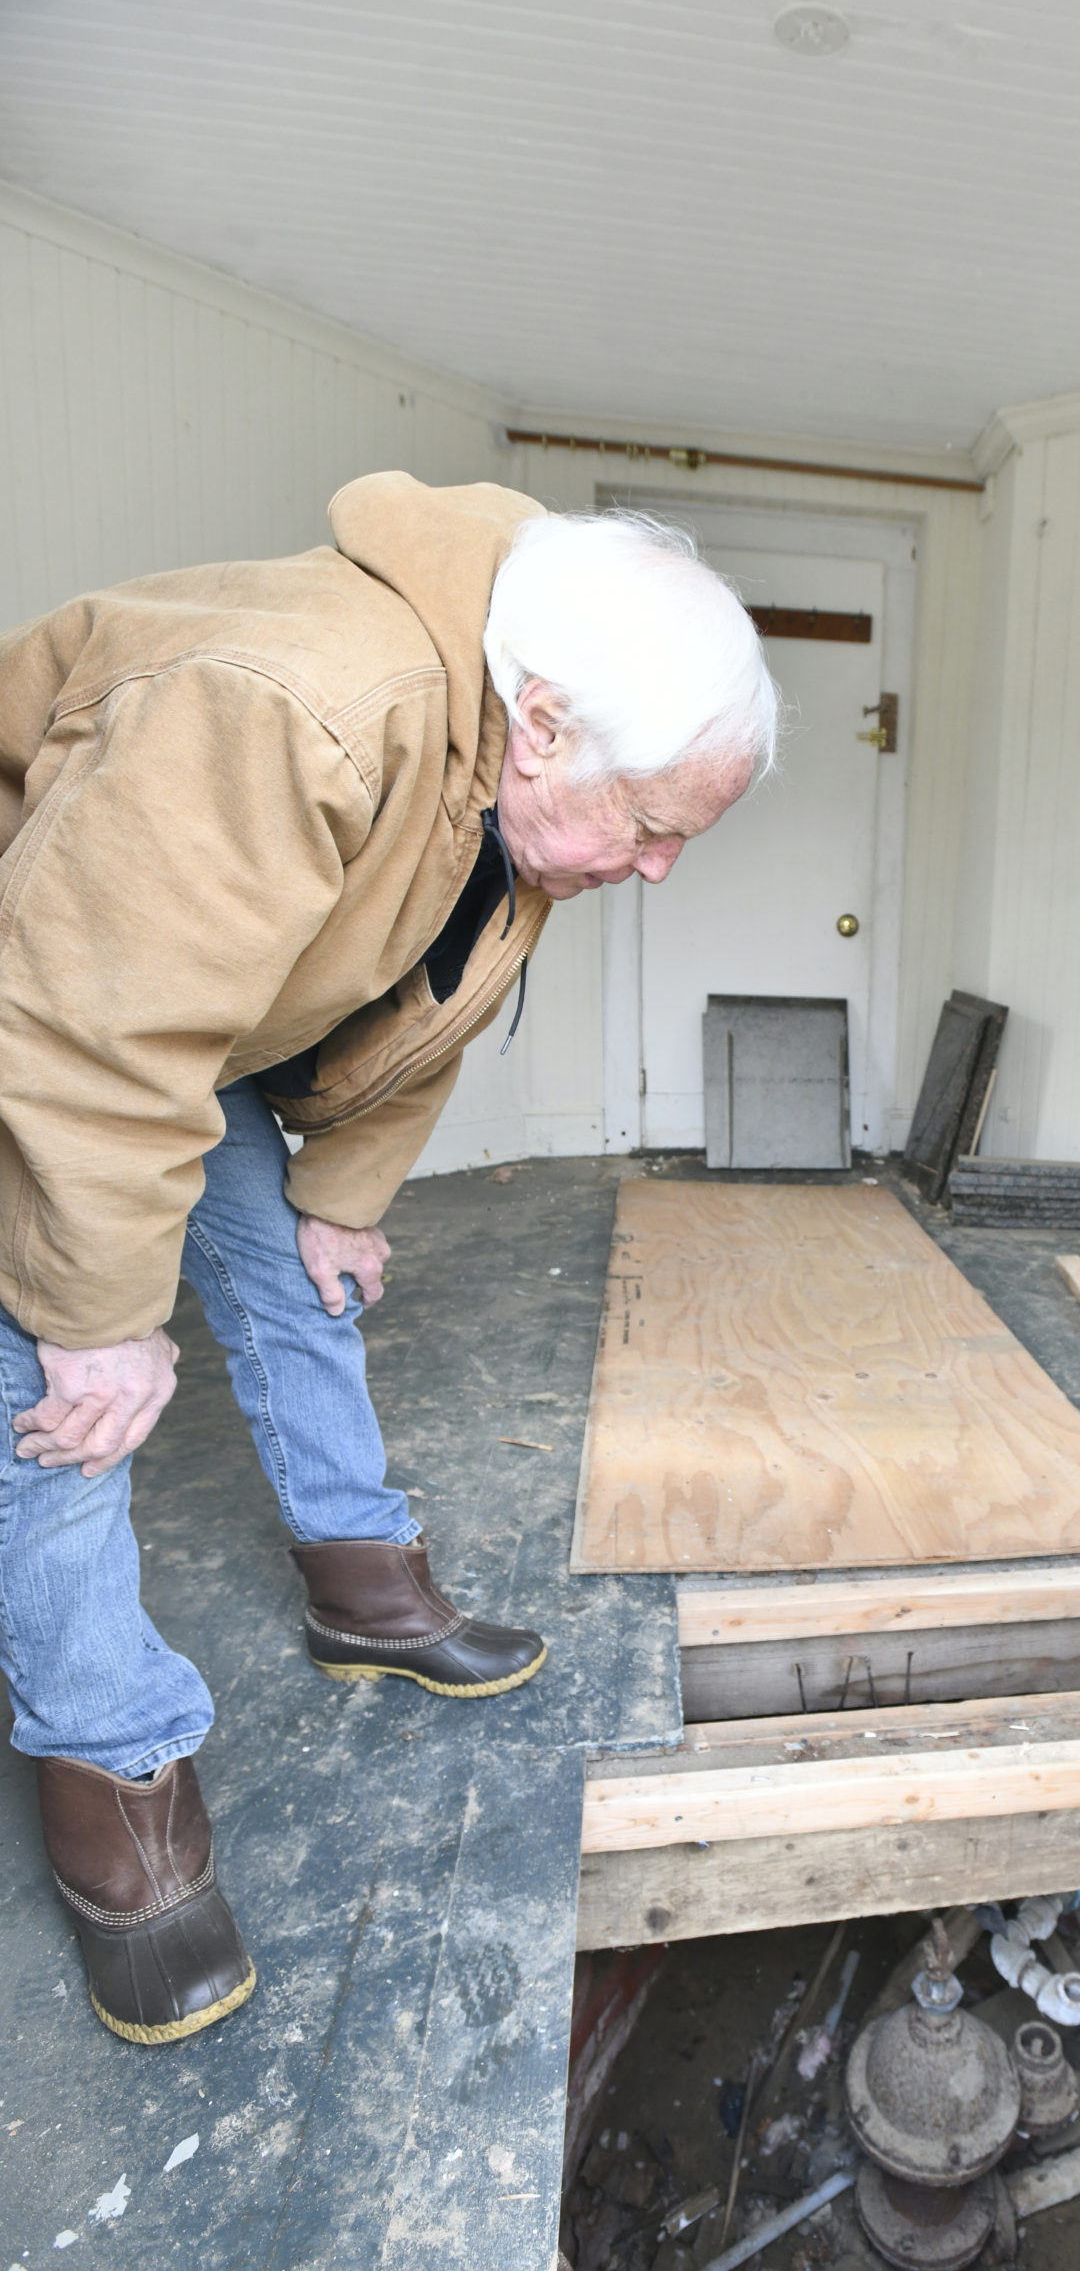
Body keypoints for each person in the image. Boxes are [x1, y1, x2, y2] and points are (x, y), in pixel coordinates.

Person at [0, 472, 778, 2046]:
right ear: (546, 725)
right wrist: (95, 1318)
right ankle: (118, 1784)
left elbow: (441, 994)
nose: (656, 870)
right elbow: (82, 1033)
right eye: (651, 827)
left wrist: (341, 1190)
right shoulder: (295, 703)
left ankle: (365, 1588)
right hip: (48, 1016)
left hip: (172, 1013)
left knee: (294, 1283)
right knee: (62, 1407)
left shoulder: (519, 777)